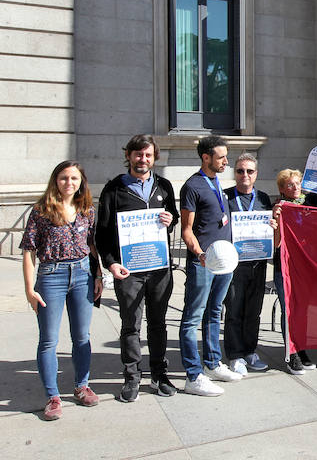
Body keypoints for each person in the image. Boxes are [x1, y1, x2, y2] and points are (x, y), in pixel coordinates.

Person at [96, 135, 179, 403]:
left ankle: (159, 375)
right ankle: (132, 378)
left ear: (154, 158)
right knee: (130, 325)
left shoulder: (163, 186)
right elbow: (102, 233)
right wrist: (111, 263)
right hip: (128, 272)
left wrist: (170, 218)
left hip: (159, 270)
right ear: (129, 156)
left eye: (148, 155)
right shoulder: (114, 189)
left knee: (158, 323)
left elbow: (174, 216)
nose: (143, 160)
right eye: (138, 154)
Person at [21, 161, 102, 420]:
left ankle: (82, 385)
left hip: (82, 275)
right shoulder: (41, 211)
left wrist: (98, 274)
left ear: (81, 182)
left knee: (81, 336)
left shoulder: (86, 209)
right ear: (56, 180)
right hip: (51, 276)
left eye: (74, 178)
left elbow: (91, 245)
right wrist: (29, 290)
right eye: (64, 178)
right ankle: (53, 397)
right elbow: (28, 252)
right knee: (49, 340)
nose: (69, 183)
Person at [179, 135, 243, 396]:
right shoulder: (192, 186)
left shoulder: (218, 182)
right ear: (206, 157)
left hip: (223, 262)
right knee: (193, 317)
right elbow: (186, 230)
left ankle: (212, 363)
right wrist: (199, 253)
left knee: (214, 311)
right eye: (221, 157)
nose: (226, 161)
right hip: (203, 263)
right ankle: (193, 376)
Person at [223, 153, 274, 375]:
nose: (245, 175)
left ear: (256, 174)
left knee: (253, 311)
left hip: (257, 262)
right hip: (234, 265)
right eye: (240, 171)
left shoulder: (263, 198)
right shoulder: (225, 198)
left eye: (249, 171)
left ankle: (250, 351)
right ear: (234, 173)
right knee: (234, 310)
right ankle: (235, 355)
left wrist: (273, 224)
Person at [272, 168, 317, 374]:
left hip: (305, 265)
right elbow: (274, 244)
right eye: (290, 184)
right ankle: (291, 353)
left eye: (297, 183)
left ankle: (301, 348)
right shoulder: (278, 207)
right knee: (289, 309)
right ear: (282, 188)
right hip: (284, 264)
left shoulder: (310, 203)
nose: (295, 187)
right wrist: (275, 222)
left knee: (304, 310)